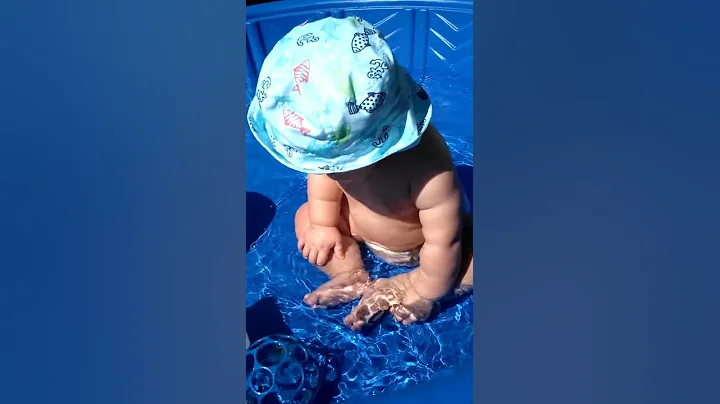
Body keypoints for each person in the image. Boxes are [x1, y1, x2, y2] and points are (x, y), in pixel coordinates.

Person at [247, 16, 473, 330]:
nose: (326, 172)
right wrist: (325, 225)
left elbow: (443, 242)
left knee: (474, 256)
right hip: (361, 226)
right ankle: (350, 275)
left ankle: (417, 286)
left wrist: (424, 288)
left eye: (332, 166)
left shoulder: (428, 172)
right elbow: (323, 178)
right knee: (306, 217)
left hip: (419, 245)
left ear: (362, 155)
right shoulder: (335, 160)